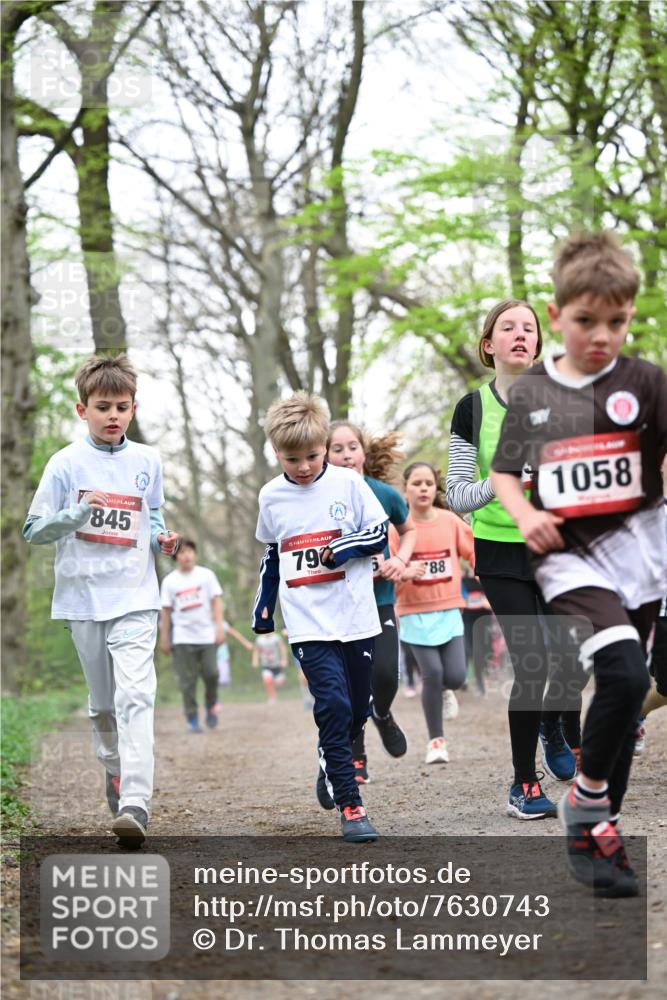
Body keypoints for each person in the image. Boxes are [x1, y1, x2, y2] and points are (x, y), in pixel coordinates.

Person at [491, 230, 667, 896]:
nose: (602, 335)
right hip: (568, 557)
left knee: (624, 698)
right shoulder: (533, 392)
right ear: (556, 314)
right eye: (586, 321)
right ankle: (585, 803)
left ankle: (600, 833)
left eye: (616, 322)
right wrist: (524, 514)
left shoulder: (645, 382)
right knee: (621, 670)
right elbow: (505, 474)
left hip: (643, 553)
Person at [23, 355, 179, 848]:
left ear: (133, 409)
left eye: (122, 407)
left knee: (137, 698)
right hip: (83, 599)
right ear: (81, 409)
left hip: (135, 597)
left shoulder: (148, 462)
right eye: (103, 407)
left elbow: (151, 519)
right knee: (104, 707)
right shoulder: (65, 464)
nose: (113, 416)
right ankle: (114, 771)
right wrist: (75, 514)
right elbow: (33, 530)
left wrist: (163, 541)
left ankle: (135, 803)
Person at [447, 299, 584, 820]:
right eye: (508, 327)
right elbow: (456, 496)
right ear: (490, 345)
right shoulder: (472, 409)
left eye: (528, 327)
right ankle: (524, 784)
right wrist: (508, 476)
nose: (520, 334)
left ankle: (554, 724)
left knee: (569, 659)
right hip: (501, 551)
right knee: (533, 661)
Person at [251, 391, 388, 842]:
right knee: (332, 704)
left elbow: (378, 531)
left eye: (312, 456)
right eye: (293, 459)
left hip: (355, 615)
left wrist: (343, 548)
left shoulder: (349, 484)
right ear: (277, 454)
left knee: (356, 711)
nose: (304, 467)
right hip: (308, 621)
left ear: (325, 445)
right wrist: (263, 607)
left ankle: (329, 759)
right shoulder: (271, 496)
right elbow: (274, 554)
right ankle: (352, 806)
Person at [327, 421, 416, 782]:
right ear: (326, 455)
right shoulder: (320, 495)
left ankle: (381, 712)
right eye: (337, 449)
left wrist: (399, 560)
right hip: (341, 602)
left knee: (384, 676)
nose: (346, 455)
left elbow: (408, 530)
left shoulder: (383, 493)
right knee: (351, 681)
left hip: (380, 599)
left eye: (352, 447)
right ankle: (356, 755)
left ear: (363, 451)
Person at [393, 462, 474, 763]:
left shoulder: (450, 522)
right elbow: (387, 565)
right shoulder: (396, 527)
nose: (423, 488)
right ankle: (436, 742)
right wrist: (404, 569)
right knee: (433, 673)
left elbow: (473, 549)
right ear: (406, 489)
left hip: (449, 608)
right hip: (413, 611)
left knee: (455, 676)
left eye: (428, 482)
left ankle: (445, 690)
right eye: (417, 483)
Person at [160, 539, 225, 732]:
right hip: (182, 638)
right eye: (181, 553)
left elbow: (216, 602)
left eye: (189, 551)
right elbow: (166, 612)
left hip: (207, 635)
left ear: (195, 554)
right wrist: (164, 638)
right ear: (175, 557)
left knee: (212, 673)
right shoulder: (170, 581)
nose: (186, 555)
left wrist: (219, 627)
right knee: (187, 681)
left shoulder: (206, 576)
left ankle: (211, 706)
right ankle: (192, 717)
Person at [461, 575, 494, 696]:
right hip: (468, 621)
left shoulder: (485, 578)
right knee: (473, 651)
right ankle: (479, 684)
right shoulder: (463, 580)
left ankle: (486, 674)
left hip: (484, 620)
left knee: (486, 650)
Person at [252, 631, 289, 703]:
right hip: (266, 665)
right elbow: (256, 650)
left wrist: (284, 660)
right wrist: (255, 660)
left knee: (280, 683)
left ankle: (276, 684)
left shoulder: (276, 638)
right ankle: (272, 697)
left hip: (277, 665)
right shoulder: (259, 639)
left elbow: (282, 648)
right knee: (267, 680)